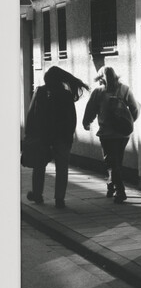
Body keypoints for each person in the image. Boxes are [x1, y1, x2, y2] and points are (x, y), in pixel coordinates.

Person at [24, 66, 89, 208]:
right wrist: (69, 136)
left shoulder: (40, 91)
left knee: (39, 167)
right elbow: (72, 118)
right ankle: (59, 199)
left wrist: (29, 135)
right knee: (62, 168)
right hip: (62, 138)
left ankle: (37, 195)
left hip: (42, 138)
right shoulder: (66, 94)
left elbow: (31, 115)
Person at [83, 66, 140, 203]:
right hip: (123, 134)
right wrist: (128, 122)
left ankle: (120, 191)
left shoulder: (98, 92)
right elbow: (135, 109)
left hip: (107, 134)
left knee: (111, 162)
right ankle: (111, 184)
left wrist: (87, 122)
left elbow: (90, 109)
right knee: (116, 161)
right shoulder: (125, 89)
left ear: (100, 78)